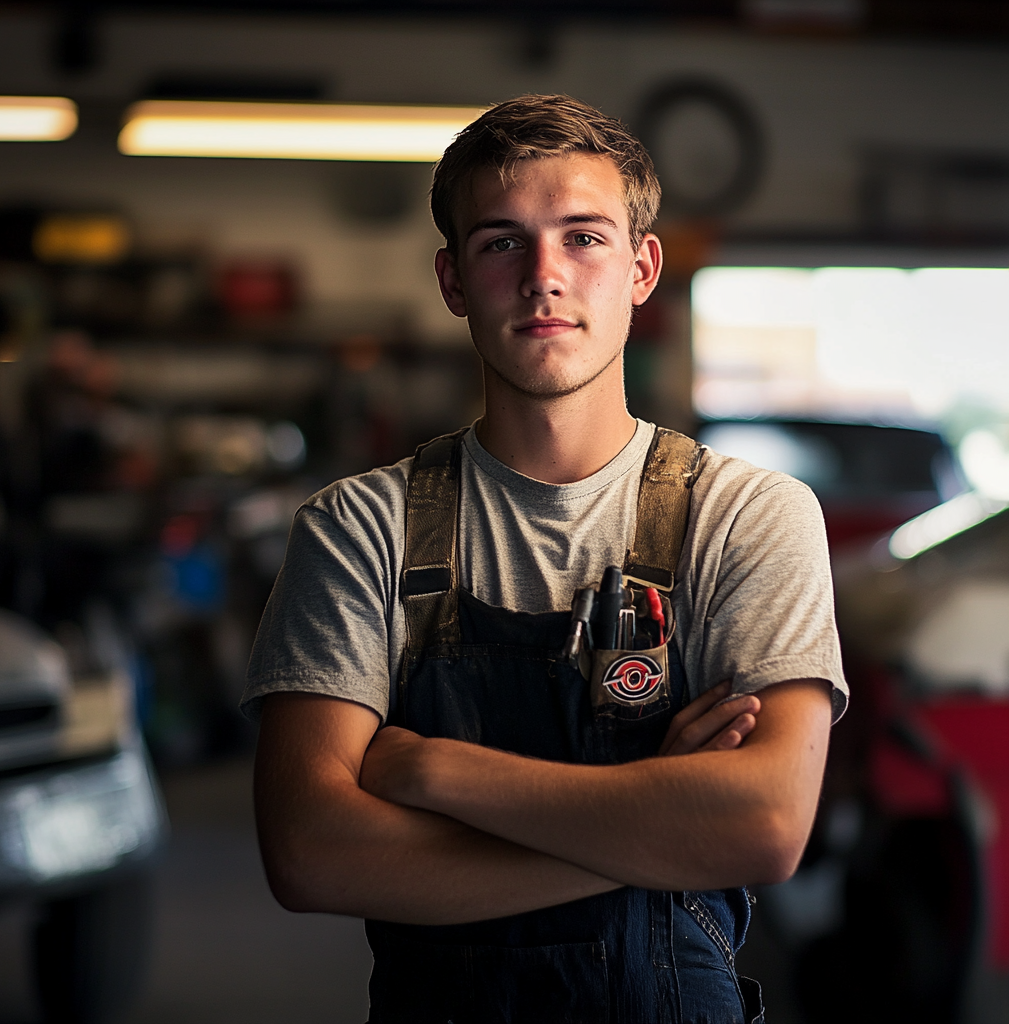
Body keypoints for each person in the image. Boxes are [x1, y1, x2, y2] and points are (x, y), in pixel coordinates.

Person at [243, 94, 847, 1024]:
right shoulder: (360, 528)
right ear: (452, 280)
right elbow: (311, 853)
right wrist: (659, 829)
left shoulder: (746, 518)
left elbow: (762, 826)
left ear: (642, 267)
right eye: (501, 243)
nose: (544, 277)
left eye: (584, 238)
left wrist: (437, 775)